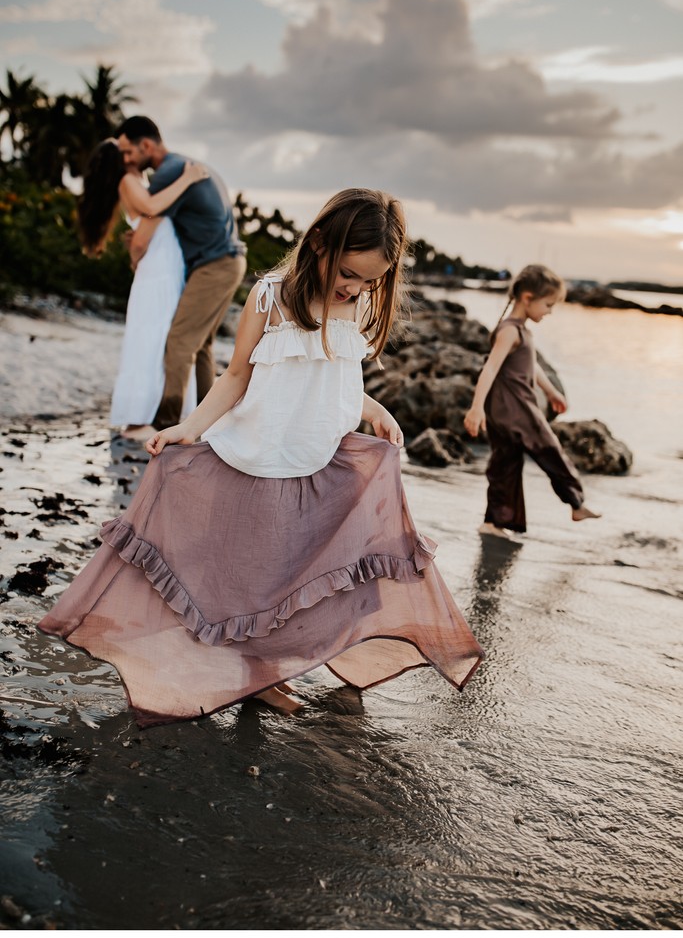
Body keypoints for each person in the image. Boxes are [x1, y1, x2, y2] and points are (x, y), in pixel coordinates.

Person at [39, 188, 482, 727]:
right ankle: (254, 675)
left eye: (369, 281)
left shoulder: (356, 305)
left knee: (308, 575)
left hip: (322, 464)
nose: (355, 287)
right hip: (260, 463)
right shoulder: (271, 296)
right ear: (318, 242)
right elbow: (236, 376)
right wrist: (189, 428)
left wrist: (374, 409)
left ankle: (269, 670)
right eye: (348, 272)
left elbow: (334, 375)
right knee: (257, 578)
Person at [116, 115, 247, 430]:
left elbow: (147, 226)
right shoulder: (184, 166)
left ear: (146, 145)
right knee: (200, 345)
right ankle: (211, 422)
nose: (126, 160)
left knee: (179, 342)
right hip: (229, 262)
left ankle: (167, 424)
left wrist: (136, 256)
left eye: (128, 152)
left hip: (214, 266)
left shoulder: (169, 173)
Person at [78, 139, 207, 439]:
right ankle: (140, 418)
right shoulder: (128, 180)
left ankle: (156, 414)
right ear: (119, 160)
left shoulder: (137, 179)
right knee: (153, 337)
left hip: (166, 266)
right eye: (122, 150)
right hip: (158, 268)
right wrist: (187, 179)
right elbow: (152, 208)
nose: (129, 152)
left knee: (162, 336)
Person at [463, 263, 600, 538]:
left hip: (506, 410)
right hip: (516, 410)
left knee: (505, 464)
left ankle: (494, 522)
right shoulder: (510, 331)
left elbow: (532, 367)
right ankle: (576, 503)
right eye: (548, 305)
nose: (549, 312)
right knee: (549, 449)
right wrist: (476, 409)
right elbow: (490, 368)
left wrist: (550, 392)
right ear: (527, 298)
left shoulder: (521, 331)